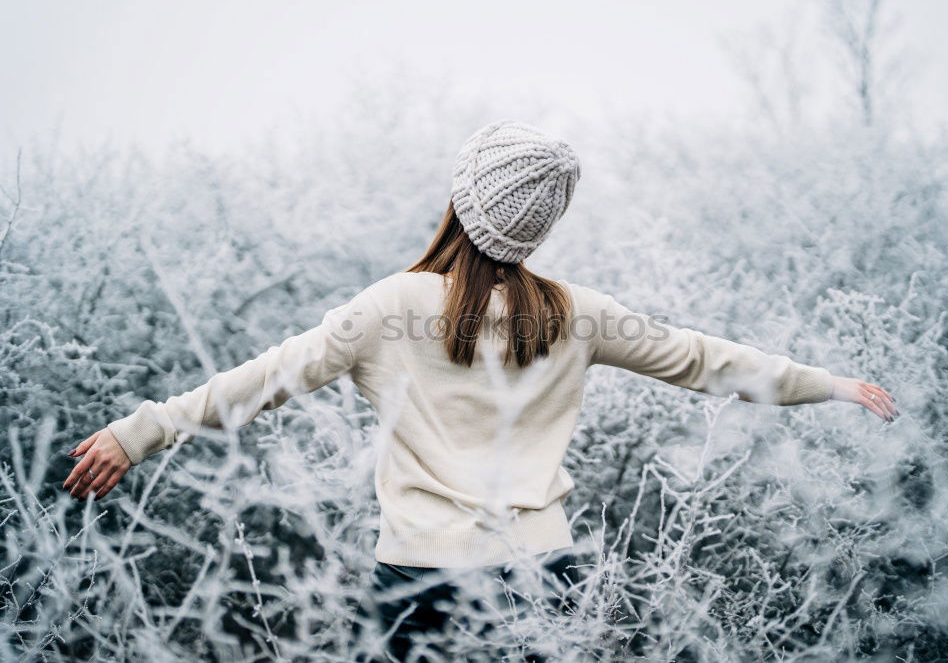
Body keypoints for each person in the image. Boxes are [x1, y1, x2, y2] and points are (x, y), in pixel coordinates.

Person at [61, 119, 898, 661]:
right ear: (536, 230)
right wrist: (829, 385)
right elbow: (706, 360)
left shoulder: (390, 307)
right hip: (546, 573)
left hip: (420, 581)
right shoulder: (578, 314)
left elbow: (262, 383)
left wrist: (140, 432)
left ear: (459, 205)